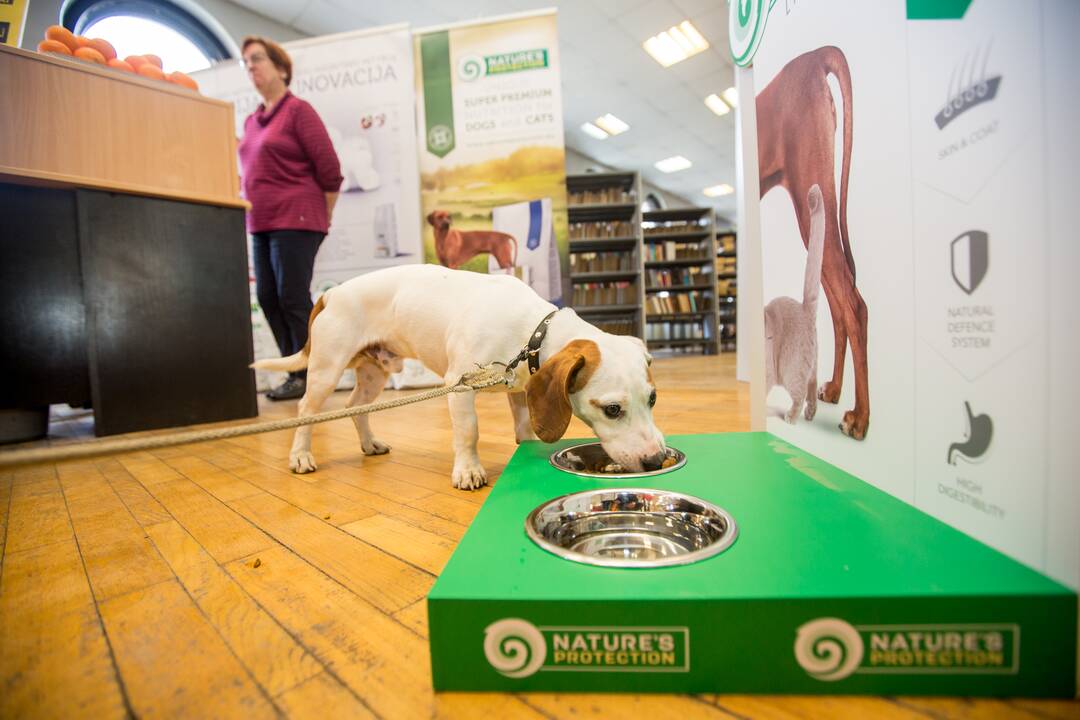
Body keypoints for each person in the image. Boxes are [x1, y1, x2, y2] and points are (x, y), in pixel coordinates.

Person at [238, 36, 343, 400]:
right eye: (246, 62)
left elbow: (330, 169)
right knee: (268, 297)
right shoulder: (252, 121)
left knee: (292, 296)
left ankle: (309, 374)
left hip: (297, 219)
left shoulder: (298, 111)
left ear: (281, 68)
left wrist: (323, 213)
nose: (251, 67)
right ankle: (295, 368)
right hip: (261, 223)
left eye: (257, 59)